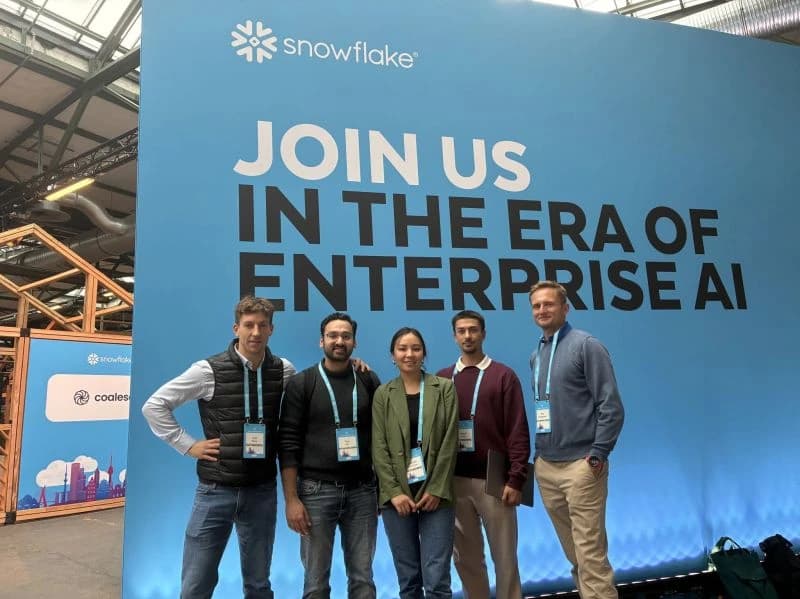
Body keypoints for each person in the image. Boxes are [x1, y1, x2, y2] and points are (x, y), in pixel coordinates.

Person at [141, 296, 295, 599]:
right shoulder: (208, 370)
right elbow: (154, 406)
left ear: (271, 330)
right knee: (196, 585)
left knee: (259, 584)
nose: (255, 332)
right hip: (215, 491)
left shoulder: (282, 370)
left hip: (261, 491)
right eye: (248, 325)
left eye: (262, 326)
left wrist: (355, 368)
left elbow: (310, 401)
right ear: (236, 328)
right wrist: (188, 445)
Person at [528, 281, 625, 599]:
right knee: (576, 559)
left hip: (582, 466)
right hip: (548, 468)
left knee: (591, 559)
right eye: (536, 306)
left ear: (565, 308)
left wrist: (597, 454)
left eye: (549, 304)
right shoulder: (537, 355)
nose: (542, 310)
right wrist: (539, 458)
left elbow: (611, 406)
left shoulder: (587, 345)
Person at [278, 312, 381, 599]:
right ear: (321, 341)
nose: (339, 341)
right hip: (314, 493)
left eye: (346, 336)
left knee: (363, 579)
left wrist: (381, 489)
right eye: (333, 335)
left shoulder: (368, 379)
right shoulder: (302, 383)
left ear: (354, 343)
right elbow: (287, 444)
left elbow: (380, 438)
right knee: (315, 582)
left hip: (363, 492)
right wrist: (291, 499)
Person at [436, 310, 530, 599]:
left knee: (505, 559)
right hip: (454, 481)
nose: (467, 336)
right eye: (461, 331)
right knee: (466, 560)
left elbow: (517, 429)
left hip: (496, 481)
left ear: (483, 334)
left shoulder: (503, 376)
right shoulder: (442, 379)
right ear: (454, 336)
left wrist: (516, 480)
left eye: (473, 330)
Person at [372, 327, 459, 599]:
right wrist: (394, 492)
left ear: (424, 353)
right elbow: (379, 447)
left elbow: (449, 443)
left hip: (437, 495)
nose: (409, 354)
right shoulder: (383, 394)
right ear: (392, 355)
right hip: (397, 498)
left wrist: (436, 488)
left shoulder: (444, 388)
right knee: (408, 580)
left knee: (437, 580)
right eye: (402, 348)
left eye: (416, 348)